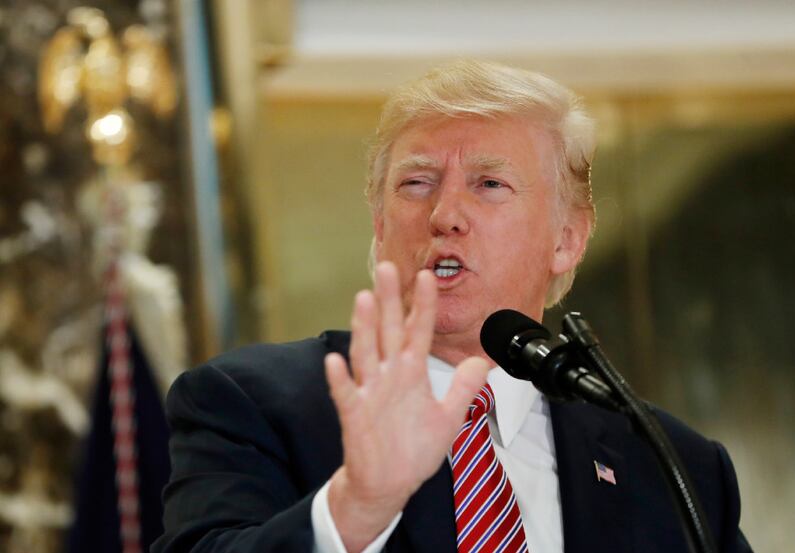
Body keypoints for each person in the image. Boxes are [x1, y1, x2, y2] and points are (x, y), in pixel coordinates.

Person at [152, 60, 752, 553]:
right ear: (380, 223)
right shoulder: (247, 402)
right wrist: (355, 509)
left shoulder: (675, 467)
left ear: (567, 238)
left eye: (490, 184)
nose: (444, 216)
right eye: (417, 183)